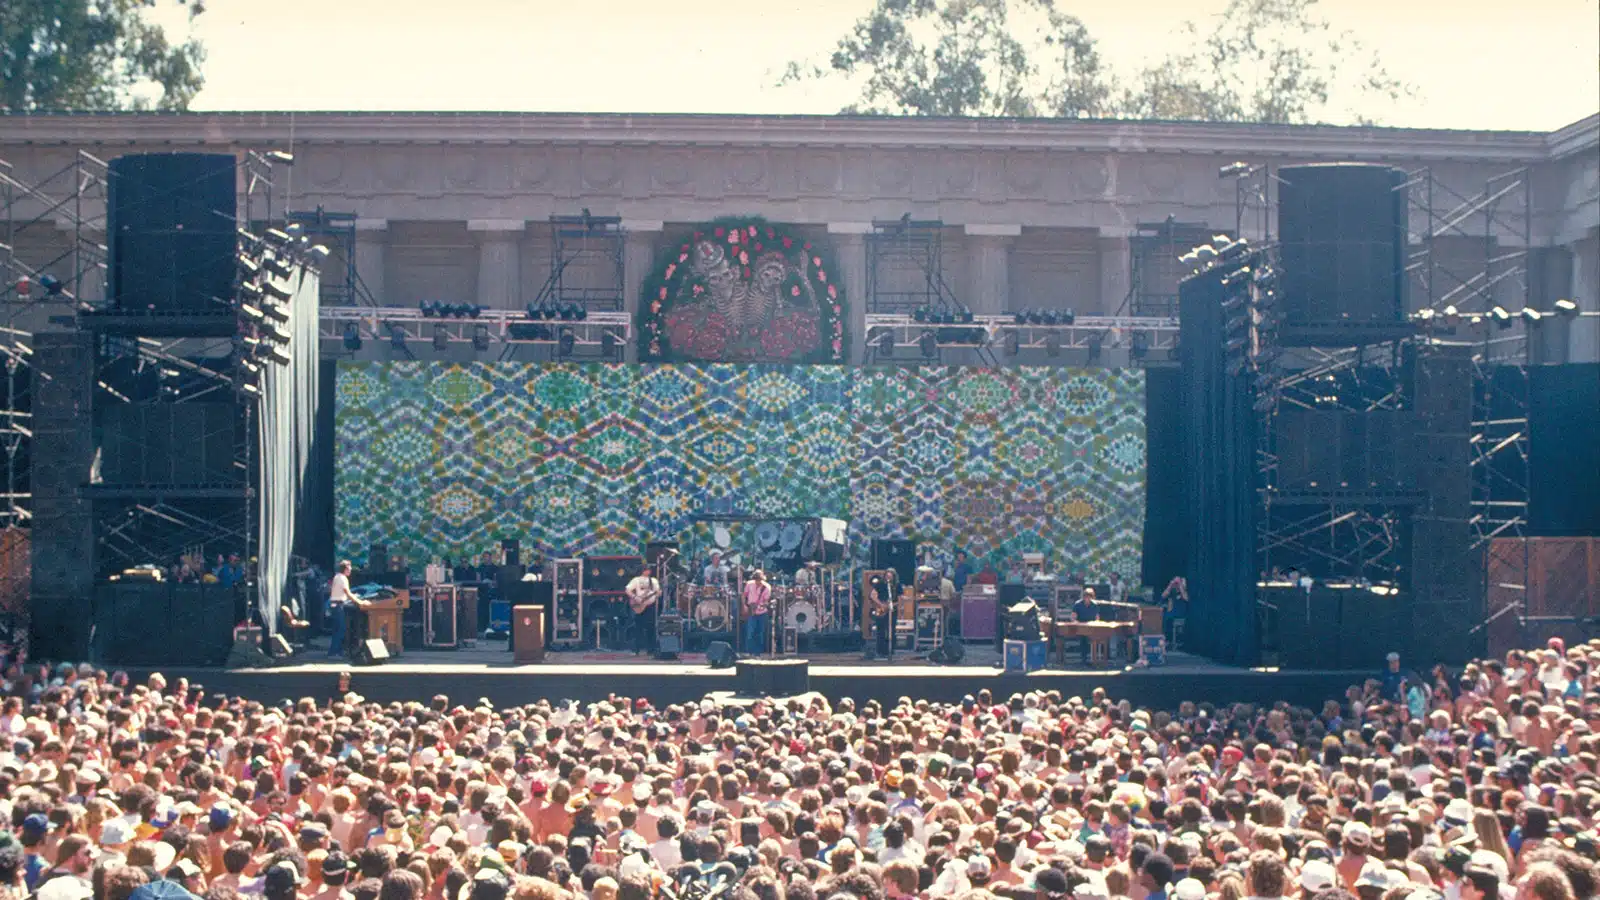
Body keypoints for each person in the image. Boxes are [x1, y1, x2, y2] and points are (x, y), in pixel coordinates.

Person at [624, 568, 660, 655]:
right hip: (638, 605)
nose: (648, 571)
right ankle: (636, 649)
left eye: (649, 569)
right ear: (642, 570)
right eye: (646, 569)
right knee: (638, 628)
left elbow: (658, 592)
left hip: (650, 606)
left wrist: (657, 594)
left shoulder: (653, 580)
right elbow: (627, 590)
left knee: (651, 627)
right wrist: (635, 597)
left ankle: (651, 650)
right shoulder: (636, 580)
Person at [327, 560, 359, 659]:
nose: (350, 571)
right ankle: (333, 653)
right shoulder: (342, 578)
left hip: (335, 605)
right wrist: (359, 601)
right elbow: (347, 592)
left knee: (337, 629)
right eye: (349, 569)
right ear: (344, 569)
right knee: (341, 629)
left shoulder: (337, 576)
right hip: (338, 606)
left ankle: (337, 651)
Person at [742, 569, 772, 655]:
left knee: (760, 633)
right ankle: (749, 652)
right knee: (750, 632)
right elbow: (744, 595)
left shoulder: (767, 587)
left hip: (762, 612)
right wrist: (744, 606)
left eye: (759, 579)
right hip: (751, 610)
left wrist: (761, 606)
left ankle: (758, 653)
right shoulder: (749, 584)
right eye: (756, 579)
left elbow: (766, 601)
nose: (757, 581)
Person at [1162, 574, 1188, 644]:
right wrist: (1170, 585)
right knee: (1162, 616)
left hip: (1181, 613)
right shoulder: (1172, 592)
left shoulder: (1184, 592)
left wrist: (1180, 585)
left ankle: (1167, 639)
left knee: (1167, 617)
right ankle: (1164, 638)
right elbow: (1163, 596)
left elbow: (1186, 598)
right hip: (1172, 612)